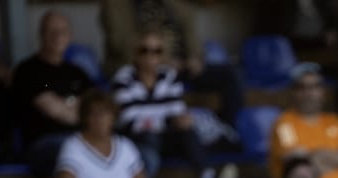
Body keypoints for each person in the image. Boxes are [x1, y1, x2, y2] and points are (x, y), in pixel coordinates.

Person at [101, 0, 244, 126]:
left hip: (180, 67)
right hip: (137, 67)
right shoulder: (116, 3)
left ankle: (228, 129)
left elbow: (191, 35)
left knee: (228, 74)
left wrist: (194, 58)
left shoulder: (175, 4)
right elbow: (121, 44)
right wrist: (162, 59)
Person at [109, 28, 211, 178]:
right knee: (150, 137)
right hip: (136, 139)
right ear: (135, 53)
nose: (151, 56)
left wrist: (160, 120)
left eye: (157, 51)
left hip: (164, 136)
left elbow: (177, 112)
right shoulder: (123, 79)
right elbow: (129, 120)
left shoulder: (169, 76)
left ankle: (208, 176)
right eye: (145, 50)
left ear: (163, 54)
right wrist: (166, 121)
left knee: (189, 132)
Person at [11, 10, 95, 178]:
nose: (58, 36)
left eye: (63, 31)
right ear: (41, 35)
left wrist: (67, 106)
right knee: (74, 149)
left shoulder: (78, 72)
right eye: (52, 31)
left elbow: (93, 109)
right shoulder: (28, 70)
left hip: (79, 138)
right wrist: (75, 107)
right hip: (43, 143)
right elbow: (55, 111)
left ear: (70, 36)